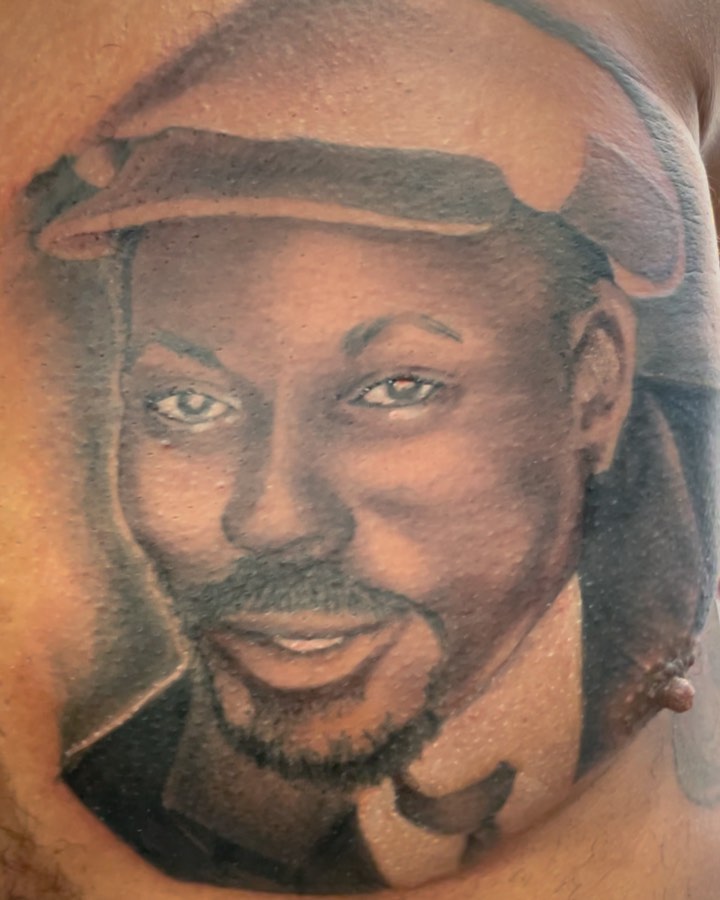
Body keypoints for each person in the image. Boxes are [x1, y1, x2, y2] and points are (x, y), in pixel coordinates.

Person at [2, 0, 720, 897]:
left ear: (594, 383)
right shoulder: (125, 791)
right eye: (188, 404)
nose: (271, 518)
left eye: (395, 389)